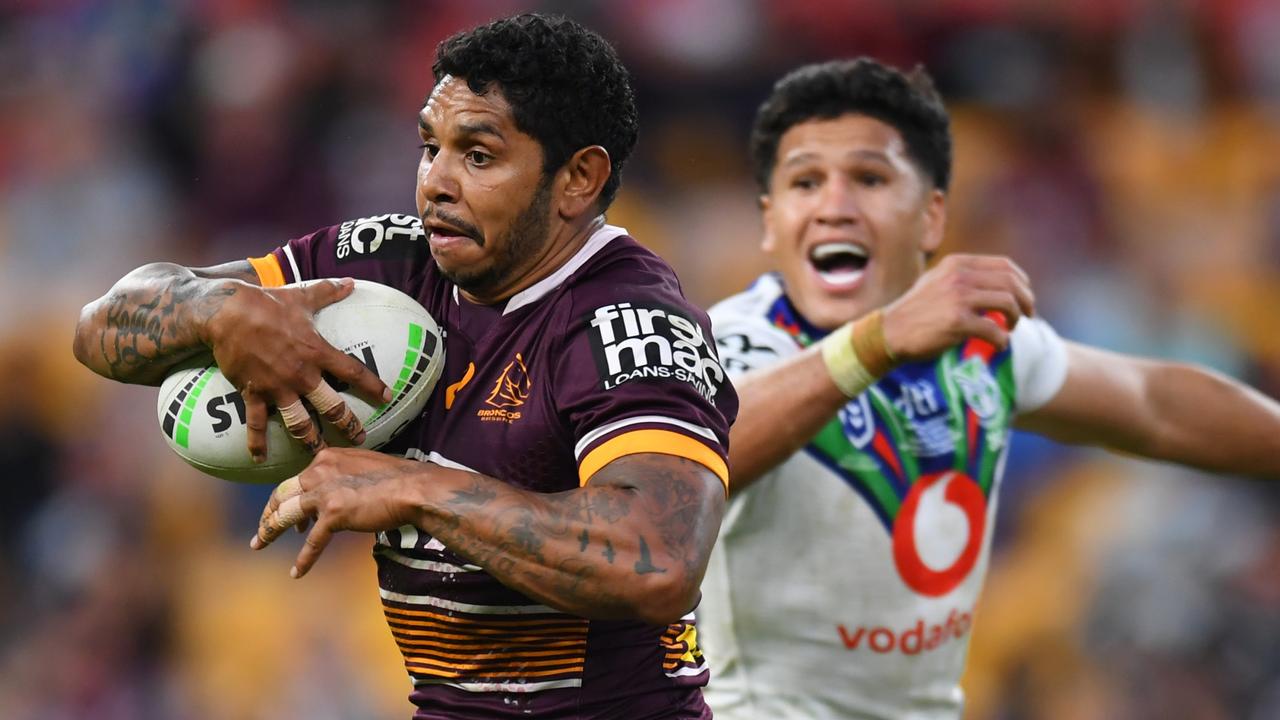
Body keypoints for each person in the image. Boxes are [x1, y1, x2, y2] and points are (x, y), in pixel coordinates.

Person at [73, 13, 736, 720]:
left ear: (579, 178)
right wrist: (219, 310)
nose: (435, 184)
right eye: (430, 148)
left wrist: (417, 489)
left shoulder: (626, 323)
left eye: (478, 156)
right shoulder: (393, 264)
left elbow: (660, 560)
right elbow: (101, 326)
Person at [696, 57, 1280, 719]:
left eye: (868, 178)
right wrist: (876, 342)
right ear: (771, 221)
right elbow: (690, 462)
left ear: (932, 218)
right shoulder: (735, 342)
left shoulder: (971, 346)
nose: (834, 207)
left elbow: (1153, 404)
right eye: (806, 182)